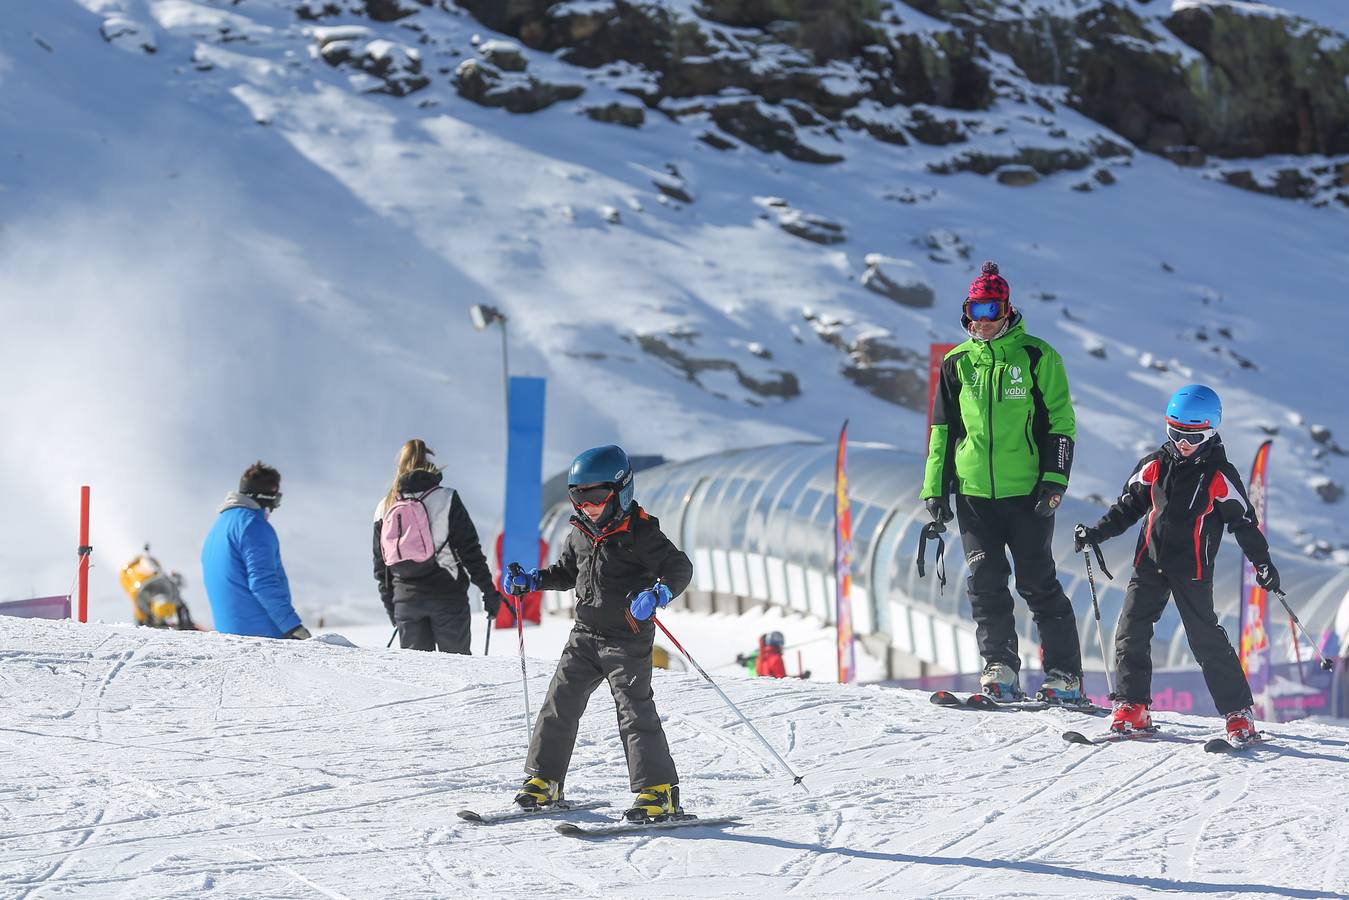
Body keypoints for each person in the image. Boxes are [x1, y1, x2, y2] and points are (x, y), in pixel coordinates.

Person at [1074, 385, 1280, 742]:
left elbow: (1243, 523)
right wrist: (1096, 533)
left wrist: (1262, 563)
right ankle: (1132, 706)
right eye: (1175, 433)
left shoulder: (1219, 475)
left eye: (1193, 435)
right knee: (1131, 630)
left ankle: (1238, 714)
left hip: (1193, 568)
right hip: (1149, 562)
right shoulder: (1155, 464)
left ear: (1211, 431)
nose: (1183, 442)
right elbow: (1127, 507)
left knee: (1205, 639)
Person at [921, 261, 1084, 703]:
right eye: (975, 308)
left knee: (1036, 582)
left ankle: (1064, 675)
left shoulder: (1036, 355)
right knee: (986, 581)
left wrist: (1054, 481)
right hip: (974, 495)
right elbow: (942, 430)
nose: (983, 318)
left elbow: (1061, 423)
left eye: (991, 307)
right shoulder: (956, 363)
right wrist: (934, 488)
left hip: (1027, 494)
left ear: (1008, 309)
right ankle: (1000, 668)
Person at [505, 444, 693, 822]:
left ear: (620, 490)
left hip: (627, 638)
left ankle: (659, 792)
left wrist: (659, 593)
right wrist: (532, 580)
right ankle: (545, 781)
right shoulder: (579, 532)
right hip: (585, 634)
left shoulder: (641, 533)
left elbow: (679, 568)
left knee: (634, 711)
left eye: (595, 497)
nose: (586, 506)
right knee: (560, 702)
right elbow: (565, 572)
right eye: (578, 496)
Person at [373, 439, 505, 653]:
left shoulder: (385, 506)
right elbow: (470, 551)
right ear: (430, 464)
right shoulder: (446, 498)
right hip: (447, 596)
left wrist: (393, 608)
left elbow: (381, 567)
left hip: (405, 600)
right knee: (458, 668)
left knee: (419, 677)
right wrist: (489, 592)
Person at [201, 461, 308, 639]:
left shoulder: (218, 526)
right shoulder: (253, 526)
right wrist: (292, 627)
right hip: (261, 636)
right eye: (276, 500)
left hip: (228, 635)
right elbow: (263, 583)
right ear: (268, 496)